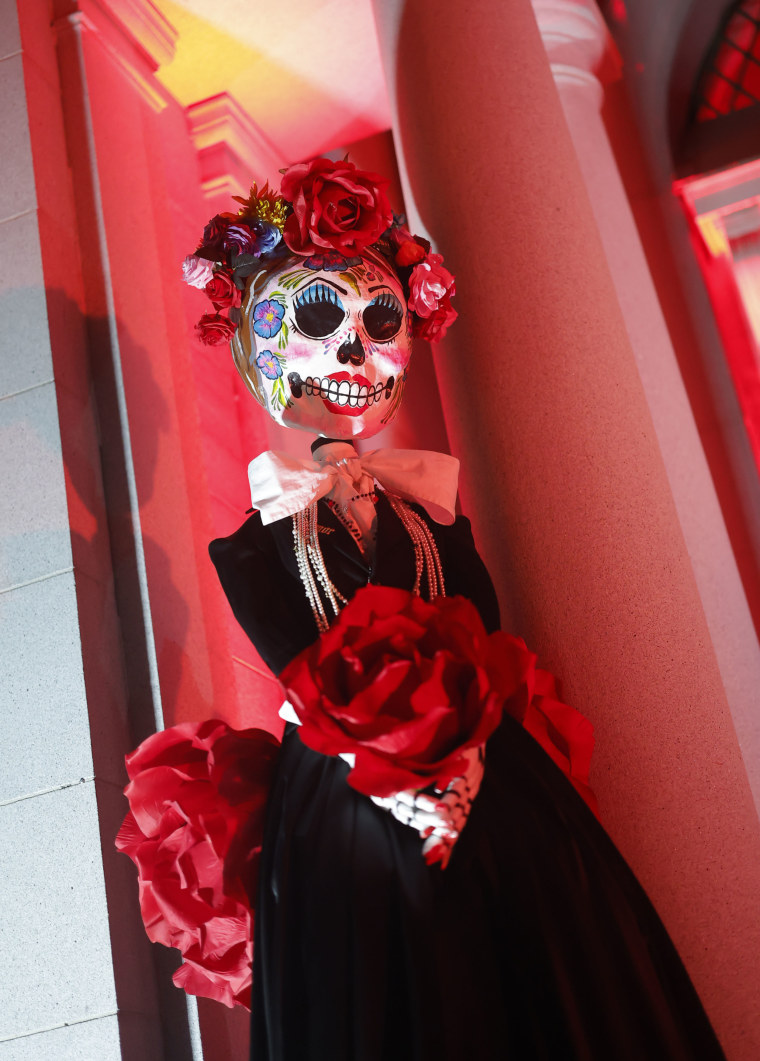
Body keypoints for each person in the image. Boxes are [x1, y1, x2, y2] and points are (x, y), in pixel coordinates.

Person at [122, 159, 727, 1059]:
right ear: (261, 343)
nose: (356, 352)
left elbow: (484, 635)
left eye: (380, 320)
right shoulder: (255, 545)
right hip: (346, 792)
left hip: (484, 769)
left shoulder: (434, 517)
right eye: (324, 321)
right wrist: (402, 782)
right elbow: (295, 667)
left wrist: (465, 765)